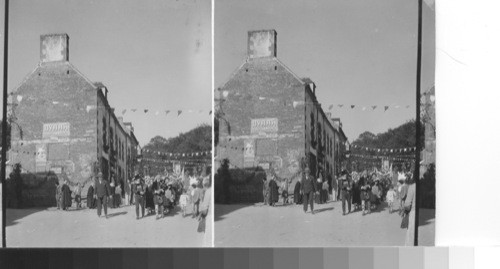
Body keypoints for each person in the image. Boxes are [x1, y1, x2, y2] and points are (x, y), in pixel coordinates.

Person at [404, 176, 416, 246]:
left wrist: (405, 211)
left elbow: (407, 205)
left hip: (413, 212)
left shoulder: (412, 187)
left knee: (411, 236)